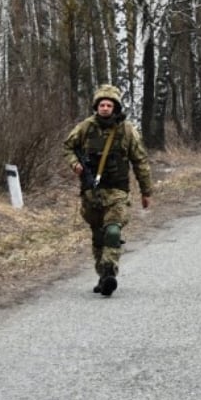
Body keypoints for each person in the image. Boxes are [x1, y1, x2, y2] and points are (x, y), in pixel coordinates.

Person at [62, 85, 153, 297]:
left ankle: (110, 270)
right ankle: (103, 276)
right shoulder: (85, 127)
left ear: (115, 107)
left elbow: (140, 161)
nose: (104, 108)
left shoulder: (127, 130)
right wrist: (75, 164)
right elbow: (67, 147)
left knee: (112, 231)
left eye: (108, 105)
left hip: (117, 191)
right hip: (91, 193)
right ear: (96, 106)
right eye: (101, 105)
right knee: (98, 236)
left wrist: (146, 191)